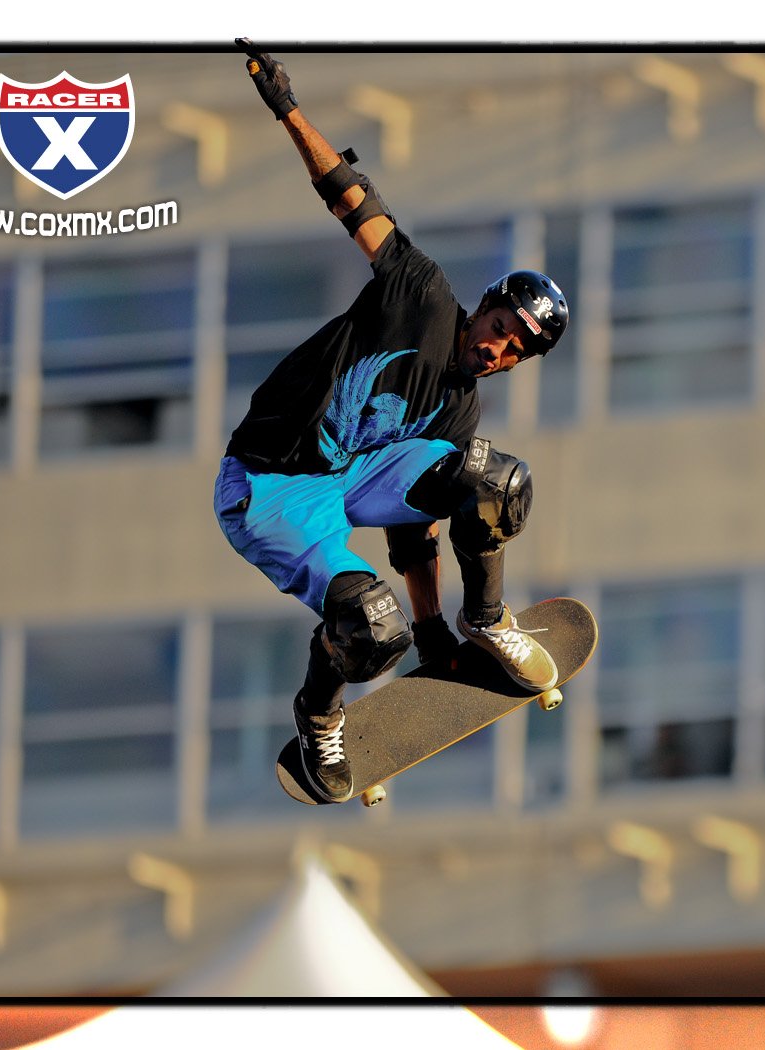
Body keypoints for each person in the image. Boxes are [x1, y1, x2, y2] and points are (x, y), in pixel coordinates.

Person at [215, 41, 570, 803]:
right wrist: (287, 108)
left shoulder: (460, 408)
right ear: (486, 304)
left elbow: (414, 528)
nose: (500, 349)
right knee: (373, 632)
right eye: (503, 327)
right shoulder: (423, 293)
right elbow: (348, 195)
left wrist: (436, 626)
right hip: (269, 487)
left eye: (518, 351)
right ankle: (318, 718)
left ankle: (486, 617)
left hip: (354, 481)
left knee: (494, 481)